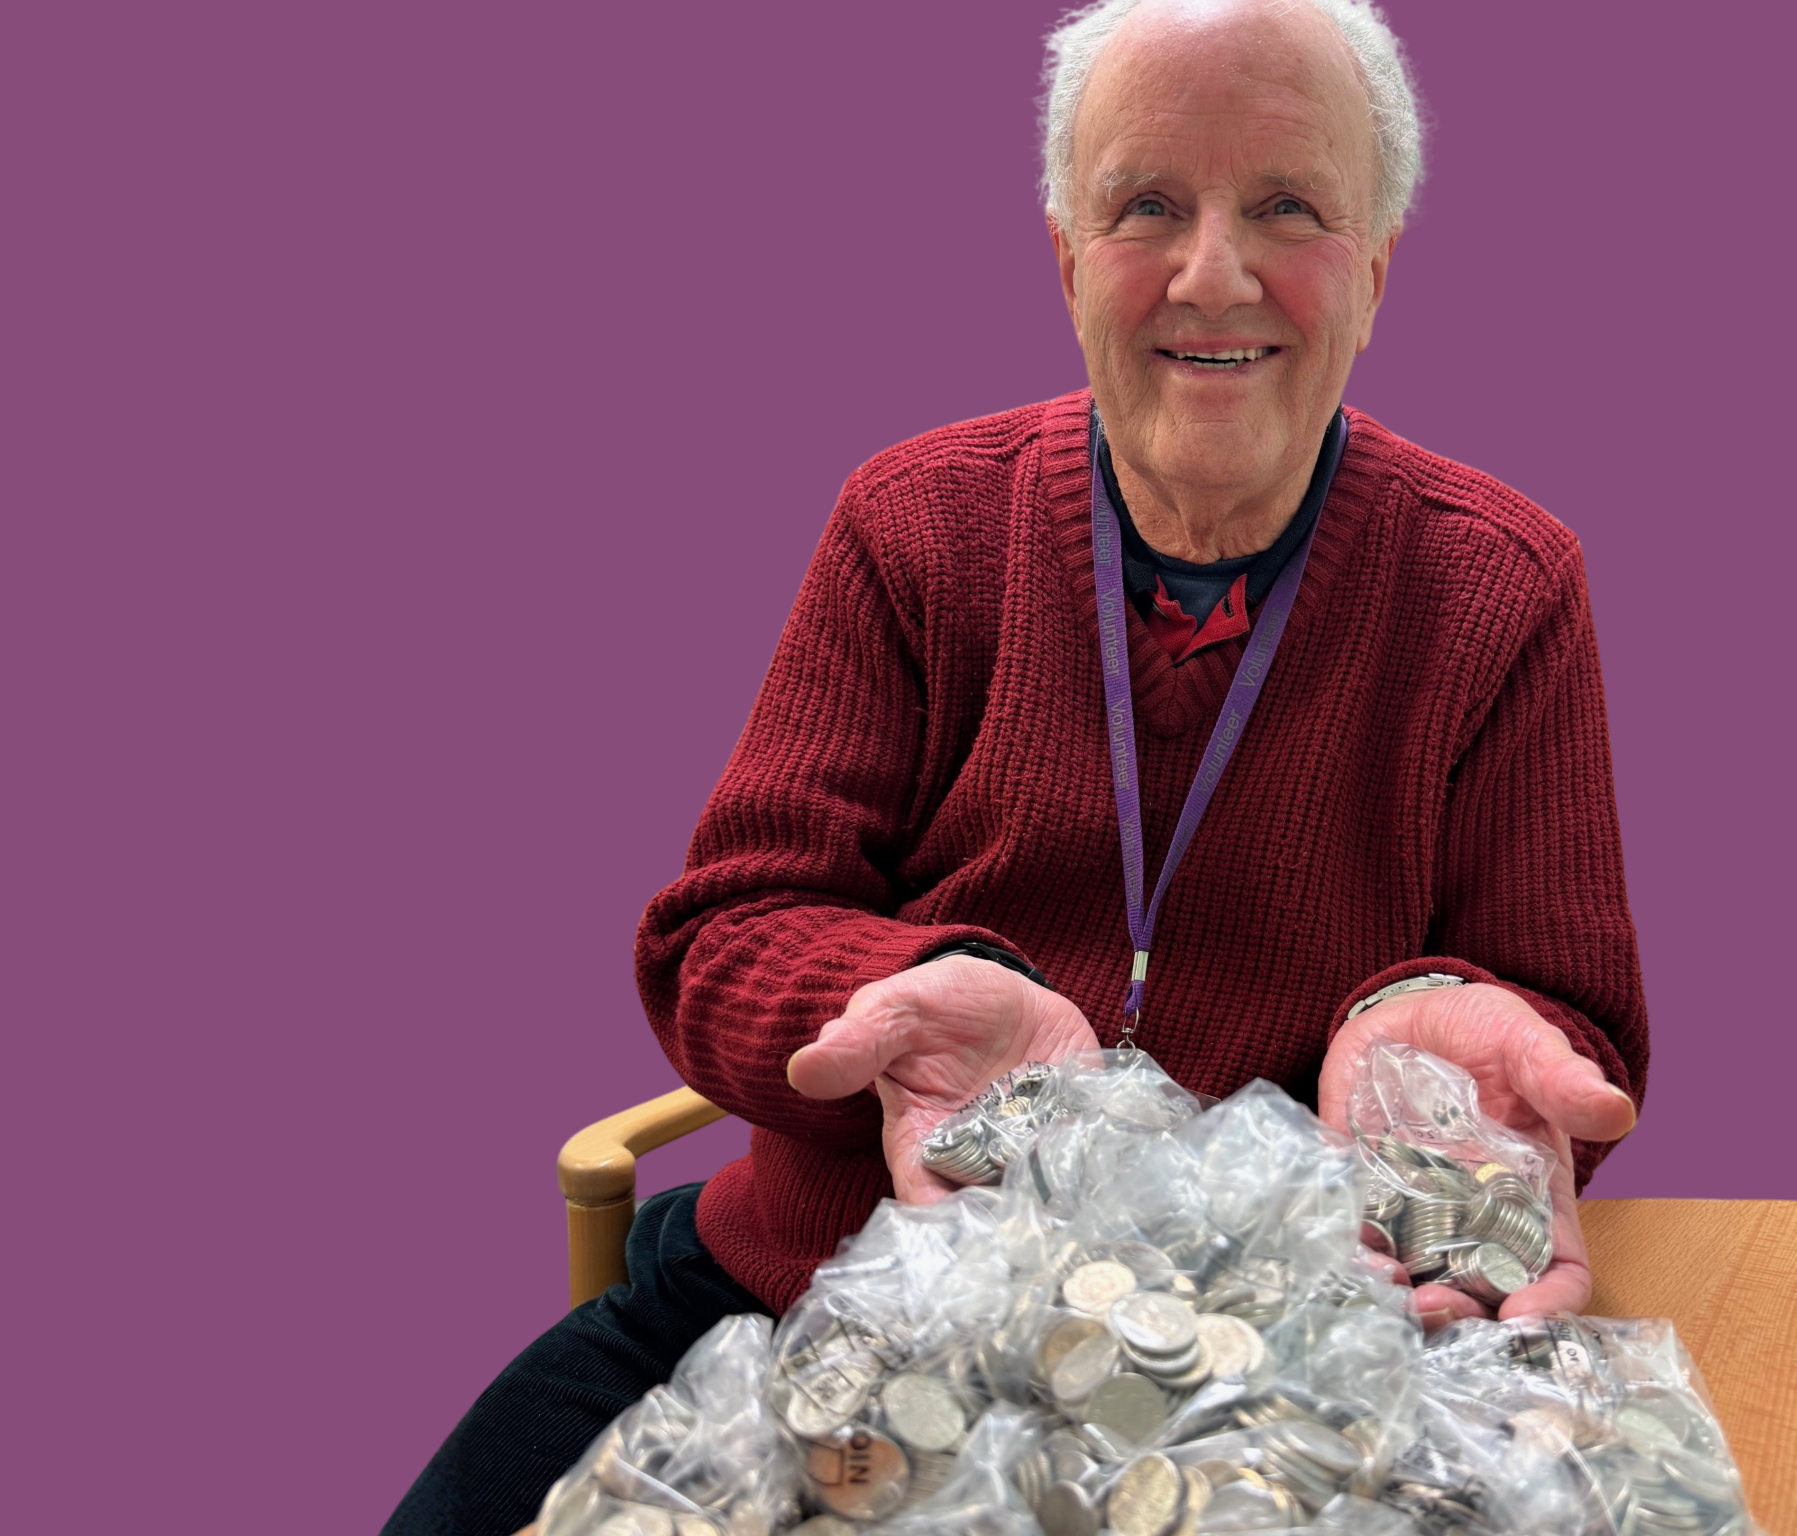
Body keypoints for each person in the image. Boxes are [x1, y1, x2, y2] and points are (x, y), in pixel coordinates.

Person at [387, 2, 1646, 1530]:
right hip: (815, 1308)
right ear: (1067, 260)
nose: (1212, 274)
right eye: (1148, 206)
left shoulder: (1503, 584)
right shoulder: (915, 525)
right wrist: (910, 992)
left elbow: (1565, 1025)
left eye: (1287, 207)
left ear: (1376, 267)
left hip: (1262, 1392)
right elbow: (719, 934)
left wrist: (1433, 1029)